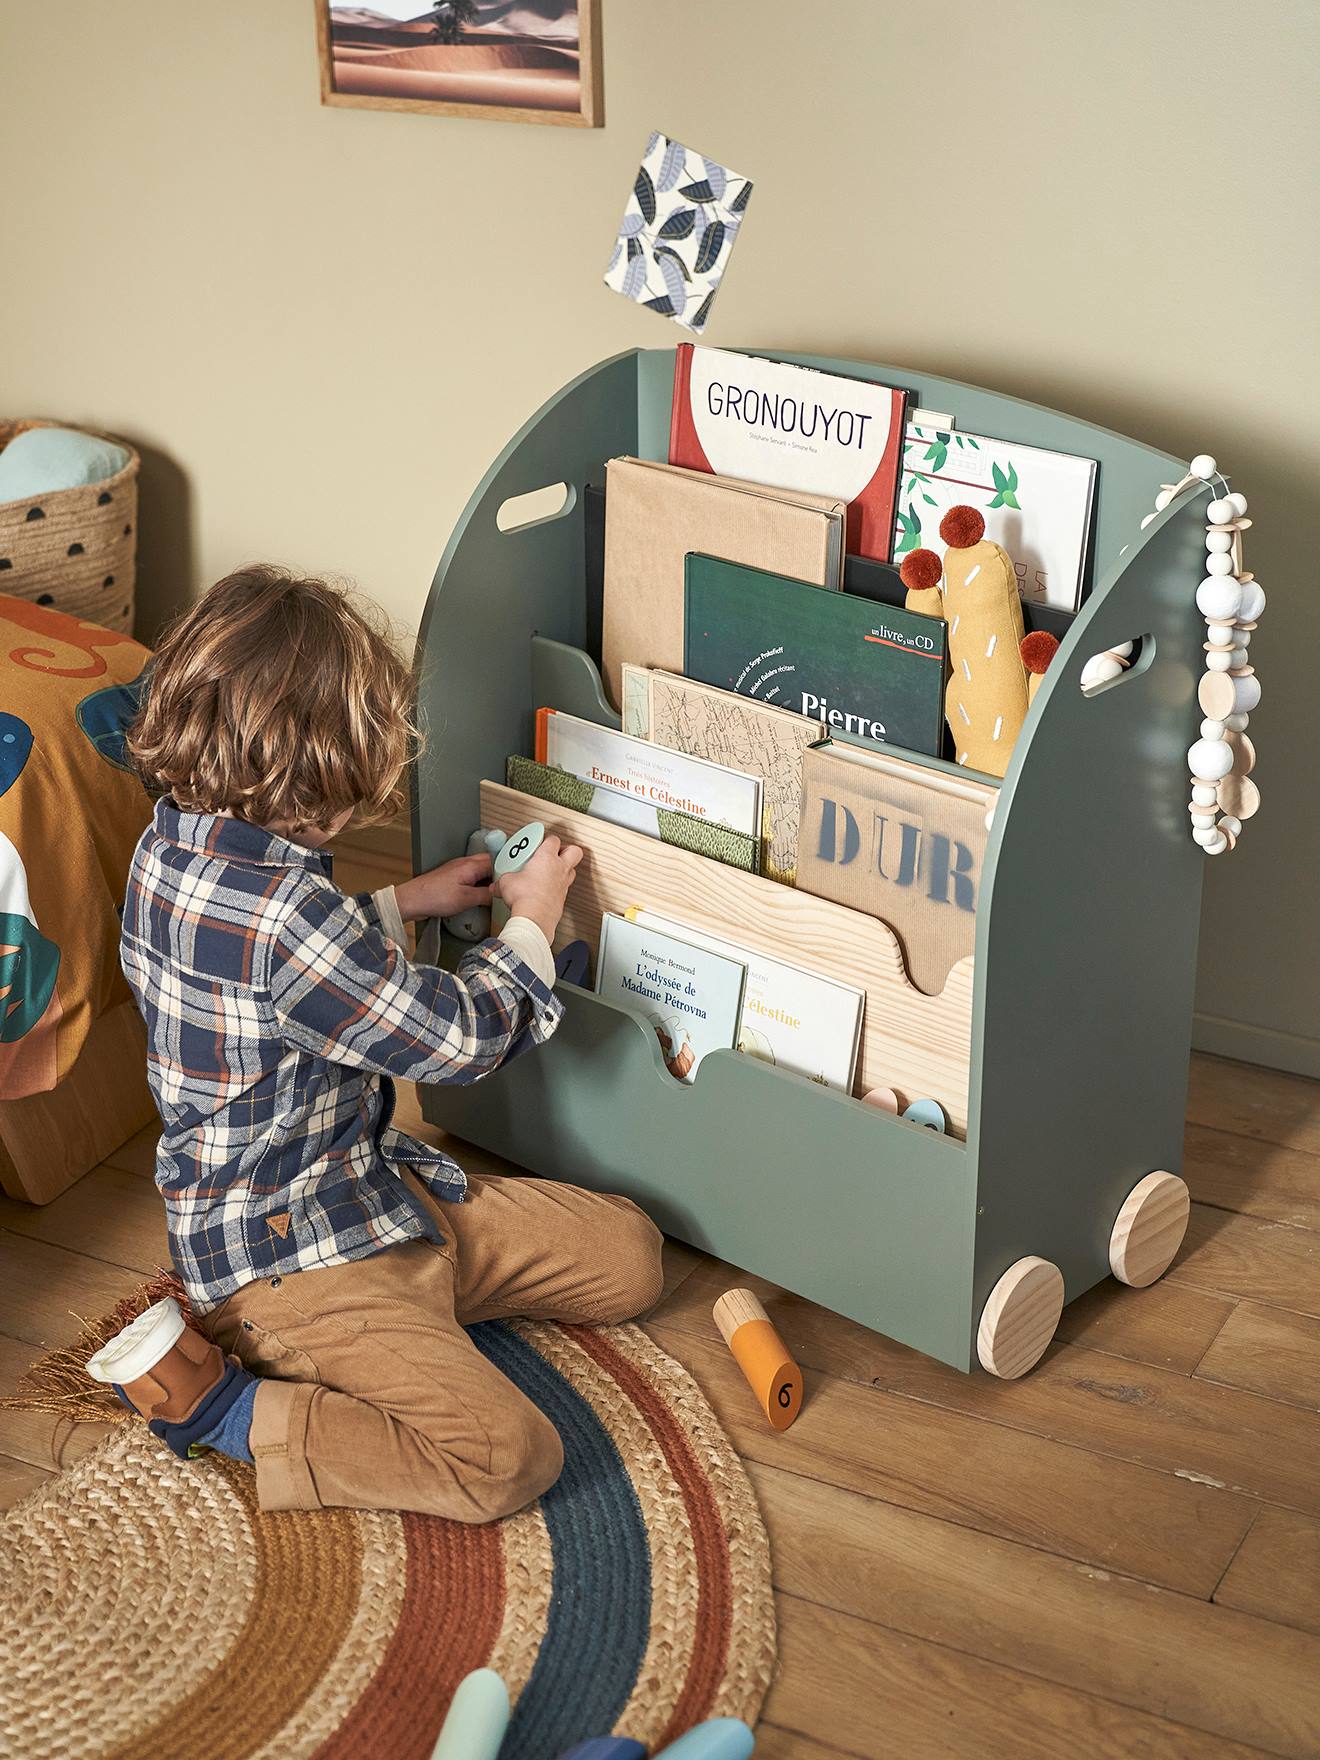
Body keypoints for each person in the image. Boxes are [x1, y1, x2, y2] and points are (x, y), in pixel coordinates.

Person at [104, 564, 663, 1520]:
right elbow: (459, 1039)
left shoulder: (172, 847)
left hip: (365, 1196)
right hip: (286, 1265)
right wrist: (532, 924)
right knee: (508, 1456)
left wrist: (401, 902)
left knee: (630, 1256)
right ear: (317, 783)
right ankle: (229, 1409)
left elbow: (268, 977)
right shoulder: (290, 919)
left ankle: (410, 1326)